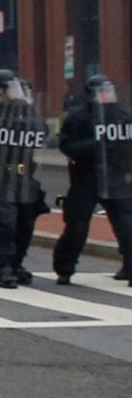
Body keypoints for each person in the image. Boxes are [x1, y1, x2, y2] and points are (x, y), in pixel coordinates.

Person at [52, 75, 132, 284]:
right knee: (77, 224)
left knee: (126, 222)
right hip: (86, 177)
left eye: (109, 91)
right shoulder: (77, 118)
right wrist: (94, 146)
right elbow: (67, 146)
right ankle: (65, 268)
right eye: (102, 92)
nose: (107, 96)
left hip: (115, 176)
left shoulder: (123, 116)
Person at [0, 69, 47, 289]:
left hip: (25, 174)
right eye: (9, 89)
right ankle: (5, 267)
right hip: (1, 176)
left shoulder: (27, 116)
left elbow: (42, 134)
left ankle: (17, 263)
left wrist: (27, 108)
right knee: (4, 223)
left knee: (25, 222)